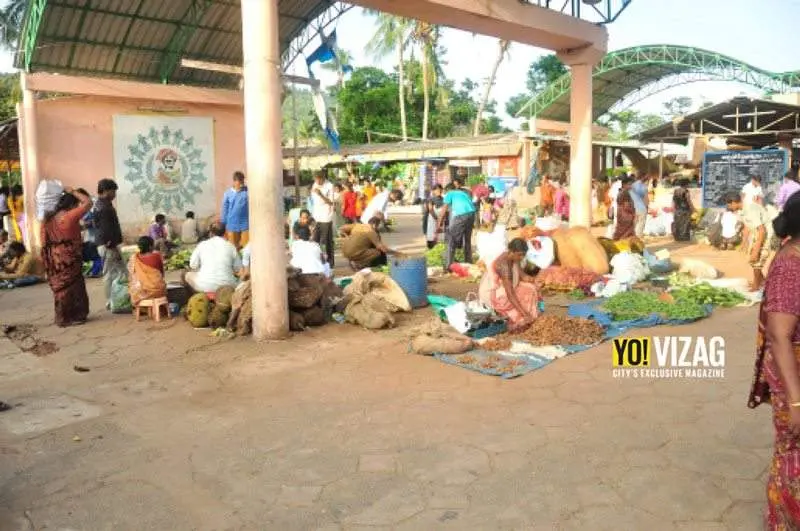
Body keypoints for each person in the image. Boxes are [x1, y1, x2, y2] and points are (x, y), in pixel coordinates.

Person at [747, 191, 800, 529]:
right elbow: (780, 334)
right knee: (793, 448)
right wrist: (797, 401)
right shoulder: (790, 264)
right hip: (791, 372)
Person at [41, 188, 92, 327]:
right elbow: (88, 203)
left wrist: (47, 260)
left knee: (60, 287)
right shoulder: (69, 216)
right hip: (69, 256)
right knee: (73, 285)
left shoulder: (48, 219)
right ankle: (75, 316)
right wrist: (73, 190)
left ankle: (62, 316)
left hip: (53, 257)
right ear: (72, 205)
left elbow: (43, 242)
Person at [478, 238, 541, 332]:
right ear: (512, 251)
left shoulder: (514, 258)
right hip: (494, 293)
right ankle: (520, 319)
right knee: (526, 292)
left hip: (507, 287)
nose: (522, 258)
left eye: (523, 255)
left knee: (531, 288)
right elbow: (510, 294)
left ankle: (529, 317)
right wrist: (524, 313)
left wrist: (535, 281)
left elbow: (523, 276)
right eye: (520, 255)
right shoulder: (504, 265)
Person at [184, 222, 242, 293]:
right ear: (225, 233)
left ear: (210, 233)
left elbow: (193, 265)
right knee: (242, 280)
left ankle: (196, 295)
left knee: (187, 275)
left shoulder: (202, 245)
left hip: (204, 286)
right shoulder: (231, 246)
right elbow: (238, 268)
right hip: (228, 286)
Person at [95, 178, 125, 310]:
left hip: (107, 243)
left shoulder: (102, 204)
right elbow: (106, 228)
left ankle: (118, 298)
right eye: (113, 191)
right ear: (106, 191)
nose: (114, 195)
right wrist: (111, 244)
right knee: (110, 273)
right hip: (108, 244)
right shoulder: (104, 207)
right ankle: (110, 301)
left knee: (119, 272)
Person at [437, 177, 477, 270]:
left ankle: (448, 266)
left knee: (451, 240)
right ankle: (468, 263)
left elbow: (444, 210)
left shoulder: (449, 193)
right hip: (471, 214)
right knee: (467, 241)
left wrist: (439, 224)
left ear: (447, 190)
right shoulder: (463, 193)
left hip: (461, 215)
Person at [127, 235, 167, 307]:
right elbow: (162, 274)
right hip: (158, 291)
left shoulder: (134, 258)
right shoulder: (157, 256)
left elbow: (132, 276)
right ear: (150, 247)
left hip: (141, 293)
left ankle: (143, 308)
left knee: (132, 287)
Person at [310, 172, 335, 267]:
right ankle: (317, 262)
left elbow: (331, 202)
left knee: (326, 241)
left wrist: (321, 194)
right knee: (315, 241)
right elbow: (314, 202)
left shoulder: (329, 186)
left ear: (323, 178)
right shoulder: (314, 185)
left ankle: (330, 263)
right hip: (316, 217)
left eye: (318, 179)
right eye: (315, 179)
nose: (317, 181)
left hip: (326, 217)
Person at [220, 171, 249, 249]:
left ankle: (245, 261)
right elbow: (225, 209)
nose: (242, 183)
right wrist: (223, 223)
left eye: (243, 180)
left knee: (246, 248)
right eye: (240, 181)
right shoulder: (228, 193)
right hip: (232, 224)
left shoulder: (247, 191)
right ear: (235, 181)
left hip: (245, 224)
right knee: (233, 248)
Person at [423, 185, 446, 249]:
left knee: (440, 236)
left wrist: (441, 219)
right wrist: (436, 218)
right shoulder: (430, 199)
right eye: (437, 189)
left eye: (440, 189)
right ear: (433, 191)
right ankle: (431, 249)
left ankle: (439, 249)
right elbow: (430, 210)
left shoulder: (444, 199)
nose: (439, 191)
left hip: (441, 220)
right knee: (431, 235)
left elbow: (445, 209)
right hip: (432, 220)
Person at [630, 174, 649, 238]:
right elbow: (646, 200)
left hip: (633, 208)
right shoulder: (644, 187)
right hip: (641, 208)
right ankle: (637, 240)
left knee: (633, 225)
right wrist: (647, 207)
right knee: (641, 224)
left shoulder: (632, 186)